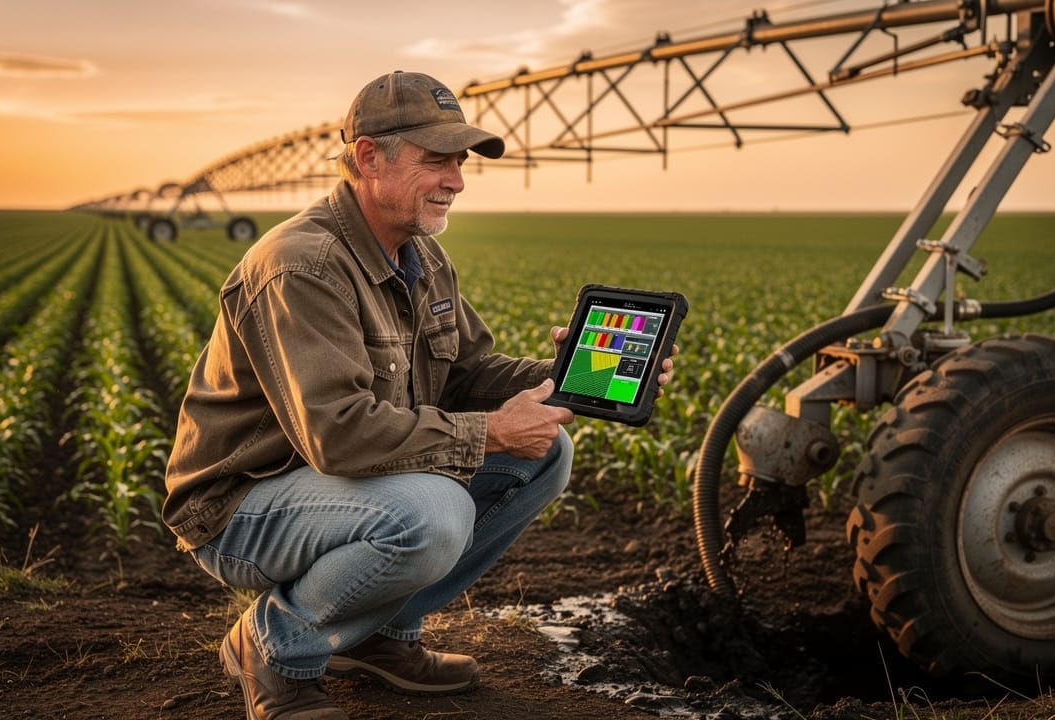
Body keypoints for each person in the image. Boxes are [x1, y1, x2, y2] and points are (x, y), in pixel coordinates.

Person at [162, 70, 675, 720]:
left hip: (341, 488)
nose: (457, 181)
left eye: (459, 163)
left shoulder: (422, 258)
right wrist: (488, 433)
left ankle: (375, 632)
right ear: (369, 158)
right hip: (242, 505)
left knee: (546, 455)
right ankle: (274, 644)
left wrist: (574, 371)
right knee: (433, 514)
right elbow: (340, 434)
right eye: (438, 161)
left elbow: (466, 374)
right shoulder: (302, 265)